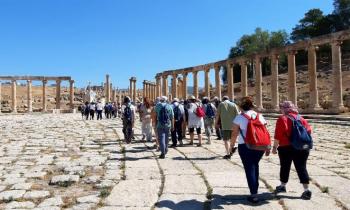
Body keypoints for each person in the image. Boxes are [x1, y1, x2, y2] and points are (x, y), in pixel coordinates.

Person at [229, 96, 270, 203]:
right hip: (260, 146)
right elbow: (265, 131)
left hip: (245, 146)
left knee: (250, 168)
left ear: (241, 107)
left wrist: (231, 146)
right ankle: (255, 190)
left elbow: (234, 134)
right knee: (255, 166)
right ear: (251, 105)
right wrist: (268, 146)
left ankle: (254, 194)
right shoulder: (260, 116)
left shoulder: (239, 117)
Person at [272, 101, 312, 200]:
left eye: (281, 108)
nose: (281, 110)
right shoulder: (301, 119)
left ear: (284, 109)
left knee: (285, 166)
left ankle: (282, 186)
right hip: (302, 147)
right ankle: (306, 190)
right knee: (302, 167)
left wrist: (274, 147)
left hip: (286, 147)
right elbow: (309, 132)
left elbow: (278, 135)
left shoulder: (282, 119)